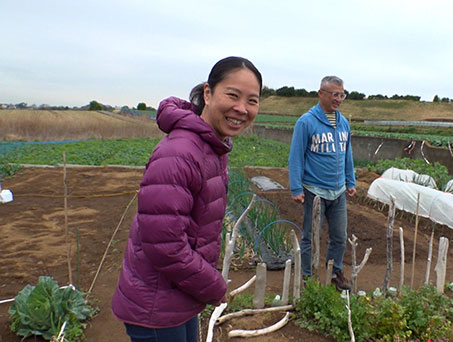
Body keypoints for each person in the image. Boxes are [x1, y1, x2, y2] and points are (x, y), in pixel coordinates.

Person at [112, 56, 262, 342]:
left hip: (178, 294)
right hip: (156, 306)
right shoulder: (180, 153)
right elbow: (164, 246)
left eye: (252, 100)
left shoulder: (210, 147)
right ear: (208, 93)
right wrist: (213, 285)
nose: (241, 109)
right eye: (232, 95)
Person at [288, 75, 357, 291]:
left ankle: (335, 271)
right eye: (334, 94)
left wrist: (350, 180)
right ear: (321, 94)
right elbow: (296, 156)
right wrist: (296, 187)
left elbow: (347, 154)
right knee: (310, 236)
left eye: (342, 95)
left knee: (339, 236)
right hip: (313, 191)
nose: (338, 99)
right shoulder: (306, 122)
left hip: (338, 192)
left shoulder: (343, 122)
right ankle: (307, 277)